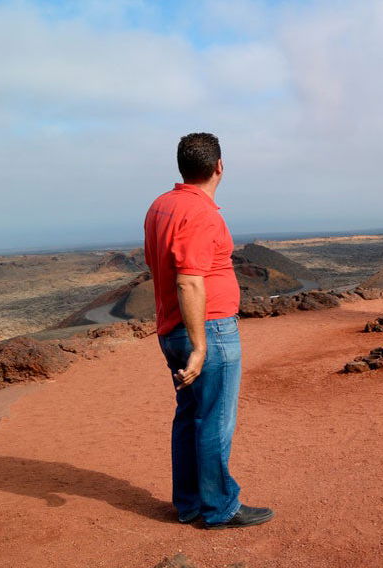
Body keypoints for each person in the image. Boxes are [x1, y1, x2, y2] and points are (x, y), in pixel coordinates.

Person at [143, 133, 274, 529]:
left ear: (182, 166)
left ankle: (189, 503)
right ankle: (220, 507)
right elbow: (189, 280)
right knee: (215, 419)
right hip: (207, 332)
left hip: (172, 328)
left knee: (190, 417)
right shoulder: (201, 213)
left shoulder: (161, 206)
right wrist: (200, 347)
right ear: (219, 166)